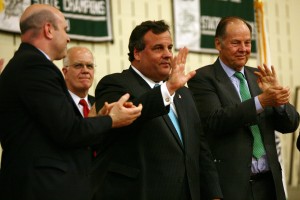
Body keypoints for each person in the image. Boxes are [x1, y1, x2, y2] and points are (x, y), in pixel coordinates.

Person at [0, 4, 142, 200]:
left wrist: (98, 119)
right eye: (65, 30)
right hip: (42, 188)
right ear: (48, 30)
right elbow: (68, 131)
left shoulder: (25, 64)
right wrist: (111, 120)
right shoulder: (35, 67)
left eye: (90, 66)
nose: (68, 38)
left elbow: (55, 126)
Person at [92, 20, 223, 200]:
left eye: (169, 47)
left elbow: (200, 147)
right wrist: (167, 89)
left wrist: (214, 194)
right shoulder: (114, 84)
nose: (168, 54)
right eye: (158, 48)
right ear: (137, 53)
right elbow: (130, 117)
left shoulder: (183, 93)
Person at [188, 16, 299, 200]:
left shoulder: (258, 76)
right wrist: (261, 101)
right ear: (218, 43)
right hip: (232, 186)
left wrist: (279, 102)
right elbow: (216, 120)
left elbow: (291, 125)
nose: (243, 49)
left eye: (247, 43)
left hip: (270, 185)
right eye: (236, 43)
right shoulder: (202, 78)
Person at [62, 46, 95, 117]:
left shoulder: (99, 105)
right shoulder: (57, 104)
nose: (85, 71)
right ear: (65, 72)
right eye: (78, 66)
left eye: (89, 66)